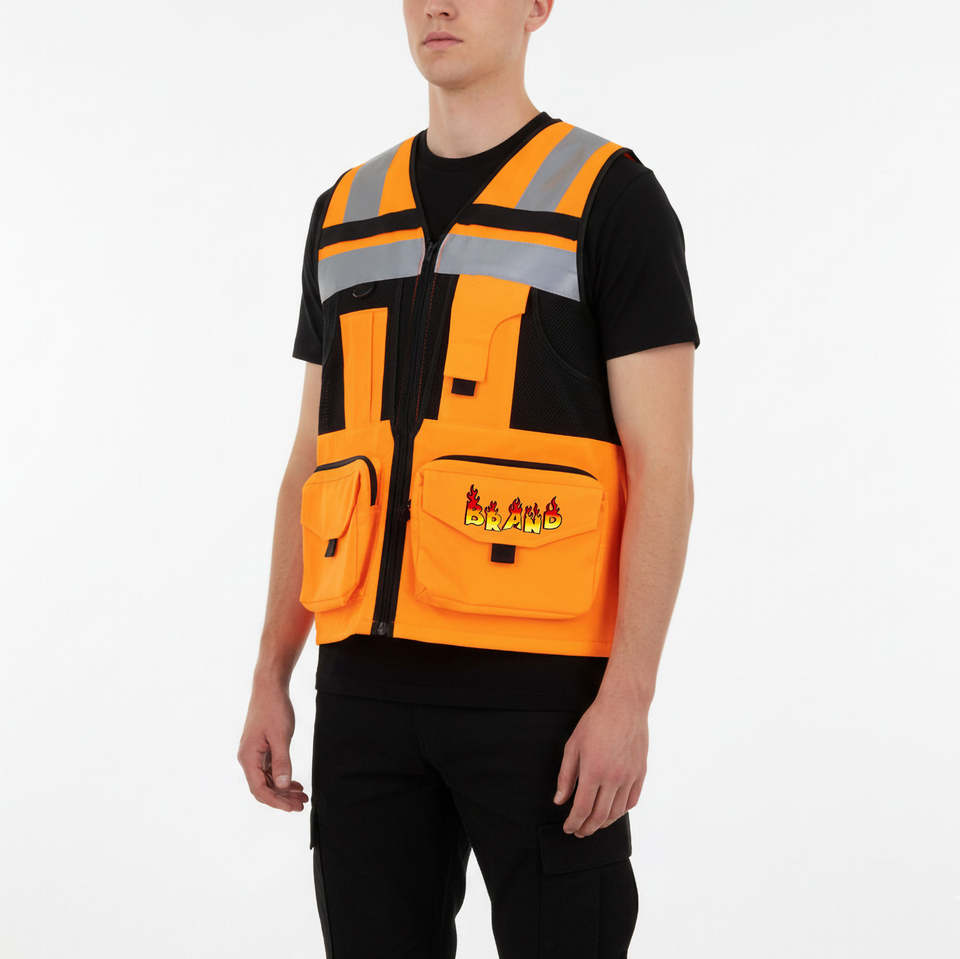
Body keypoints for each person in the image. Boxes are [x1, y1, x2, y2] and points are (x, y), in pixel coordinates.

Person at [238, 1, 698, 955]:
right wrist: (271, 673)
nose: (437, 5)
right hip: (364, 696)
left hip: (543, 700)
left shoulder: (611, 198)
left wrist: (628, 697)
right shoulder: (345, 211)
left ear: (538, 6)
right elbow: (312, 459)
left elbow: (664, 467)